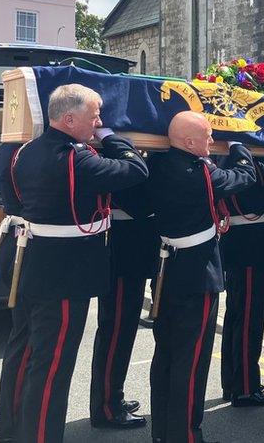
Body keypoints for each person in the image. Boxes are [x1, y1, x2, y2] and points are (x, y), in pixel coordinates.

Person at [8, 84, 149, 443]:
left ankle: (16, 431)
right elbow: (135, 170)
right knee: (52, 367)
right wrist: (112, 137)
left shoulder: (25, 152)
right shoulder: (77, 158)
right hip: (65, 274)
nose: (99, 122)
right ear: (69, 119)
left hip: (35, 263)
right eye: (94, 117)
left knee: (33, 358)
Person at [146, 111, 256, 443]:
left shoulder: (156, 164)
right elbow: (244, 175)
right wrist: (238, 142)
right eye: (208, 136)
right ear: (190, 142)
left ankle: (163, 431)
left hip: (166, 270)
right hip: (197, 273)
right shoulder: (199, 174)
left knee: (165, 353)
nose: (212, 141)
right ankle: (186, 435)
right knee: (191, 360)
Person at [89, 179, 156, 430]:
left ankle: (112, 396)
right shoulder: (120, 163)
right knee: (115, 332)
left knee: (122, 332)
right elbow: (139, 204)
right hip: (123, 253)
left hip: (132, 253)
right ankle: (106, 406)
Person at [218, 156, 264, 408]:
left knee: (236, 316)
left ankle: (232, 382)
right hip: (249, 243)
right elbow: (253, 201)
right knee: (247, 319)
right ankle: (245, 387)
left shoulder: (239, 159)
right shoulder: (239, 161)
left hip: (243, 242)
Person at [0, 142, 29, 443]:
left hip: (21, 248)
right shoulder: (24, 150)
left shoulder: (14, 147)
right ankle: (14, 426)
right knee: (26, 343)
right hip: (29, 252)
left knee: (23, 342)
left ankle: (13, 425)